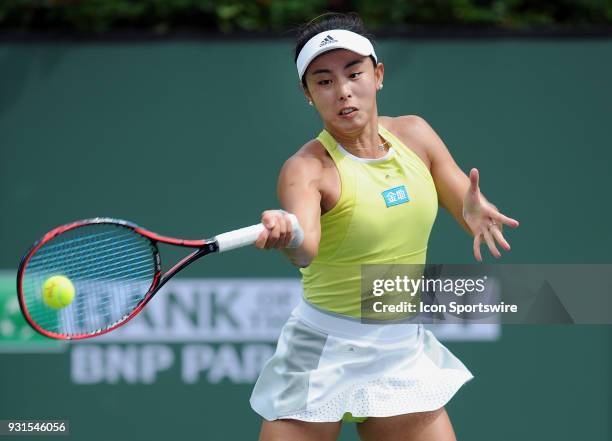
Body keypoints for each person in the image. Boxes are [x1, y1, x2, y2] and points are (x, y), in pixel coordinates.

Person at [250, 12, 520, 441]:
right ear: (307, 94)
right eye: (323, 81)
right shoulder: (305, 170)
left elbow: (463, 201)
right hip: (320, 348)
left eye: (353, 73)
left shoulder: (415, 135)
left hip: (399, 348)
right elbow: (306, 248)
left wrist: (472, 212)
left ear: (376, 76)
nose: (343, 91)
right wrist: (289, 235)